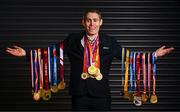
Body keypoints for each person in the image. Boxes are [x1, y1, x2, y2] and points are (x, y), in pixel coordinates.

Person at [6, 9, 174, 111]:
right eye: (88, 20)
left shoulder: (110, 42)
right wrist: (26, 54)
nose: (91, 24)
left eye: (95, 20)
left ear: (100, 22)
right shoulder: (72, 40)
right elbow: (52, 52)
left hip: (102, 95)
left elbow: (128, 56)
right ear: (83, 22)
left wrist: (154, 55)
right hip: (79, 95)